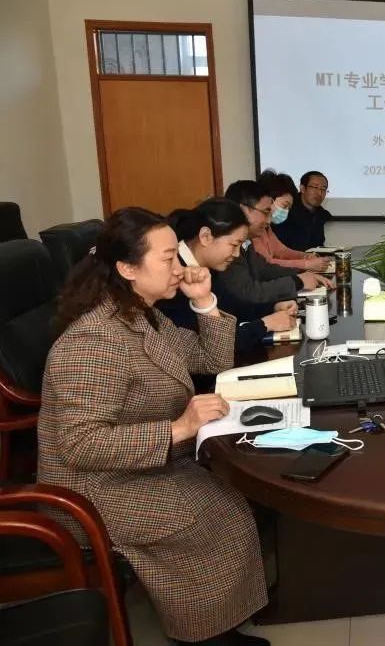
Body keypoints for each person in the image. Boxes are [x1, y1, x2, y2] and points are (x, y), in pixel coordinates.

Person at [37, 208, 269, 646]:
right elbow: (80, 444)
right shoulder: (93, 341)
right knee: (210, 514)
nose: (180, 269)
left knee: (229, 497)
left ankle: (217, 623)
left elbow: (211, 360)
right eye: (168, 259)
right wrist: (179, 428)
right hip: (92, 487)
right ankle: (203, 635)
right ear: (128, 268)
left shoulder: (141, 315)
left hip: (136, 464)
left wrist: (204, 302)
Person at [160, 198, 298, 354]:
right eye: (234, 245)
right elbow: (209, 347)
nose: (237, 254)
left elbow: (233, 305)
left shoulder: (209, 267)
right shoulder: (174, 279)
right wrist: (265, 324)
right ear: (206, 236)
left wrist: (273, 307)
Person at [218, 180, 333, 307]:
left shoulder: (246, 240)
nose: (269, 221)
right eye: (266, 212)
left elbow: (264, 268)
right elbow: (249, 291)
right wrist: (298, 280)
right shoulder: (226, 245)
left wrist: (302, 273)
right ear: (244, 210)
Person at [254, 170, 332, 271]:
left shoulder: (266, 227)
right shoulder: (253, 228)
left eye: (289, 208)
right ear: (268, 200)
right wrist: (306, 264)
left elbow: (282, 251)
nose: (286, 212)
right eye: (285, 205)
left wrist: (305, 256)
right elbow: (266, 264)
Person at [273, 169, 332, 251]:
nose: (319, 193)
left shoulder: (321, 215)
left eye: (323, 189)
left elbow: (318, 245)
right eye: (315, 187)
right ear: (302, 188)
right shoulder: (285, 210)